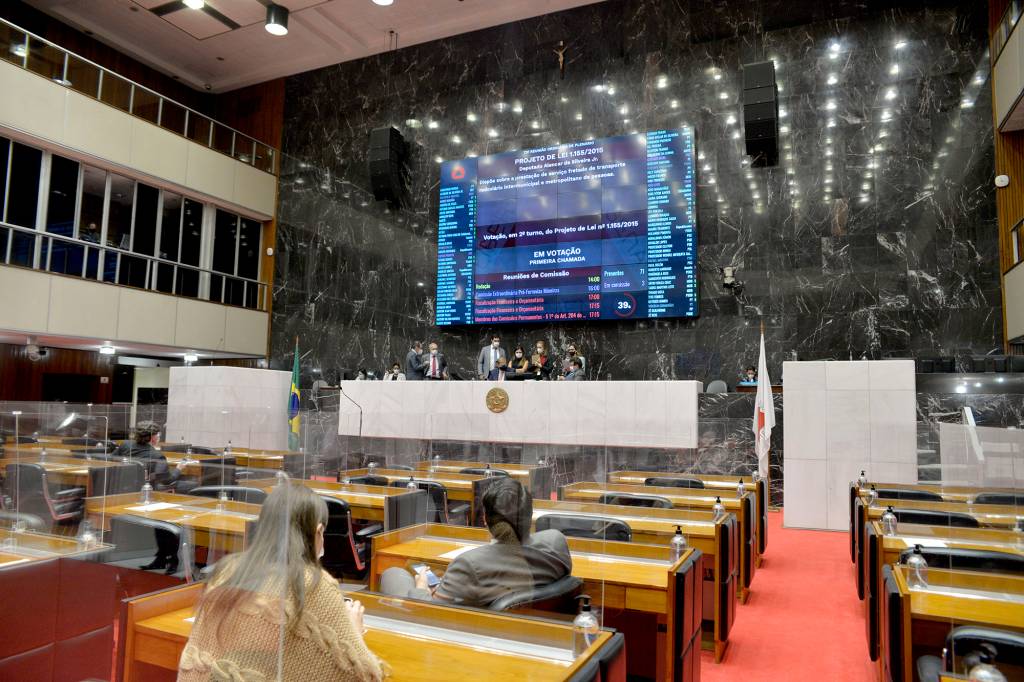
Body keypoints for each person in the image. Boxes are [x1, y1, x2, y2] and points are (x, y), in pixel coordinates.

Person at [178, 483, 386, 682]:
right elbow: (364, 675)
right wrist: (354, 633)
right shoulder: (313, 584)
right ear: (318, 531)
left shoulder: (227, 570)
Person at [379, 478, 571, 608]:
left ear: (485, 519)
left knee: (393, 574)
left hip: (469, 634)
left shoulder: (469, 564)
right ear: (530, 516)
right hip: (528, 633)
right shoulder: (556, 541)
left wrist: (421, 588)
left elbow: (431, 611)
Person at [112, 421, 193, 492]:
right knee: (190, 485)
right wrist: (178, 468)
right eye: (158, 434)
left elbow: (110, 460)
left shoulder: (125, 445)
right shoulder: (158, 456)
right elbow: (167, 481)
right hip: (146, 489)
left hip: (121, 486)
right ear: (153, 437)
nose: (159, 436)